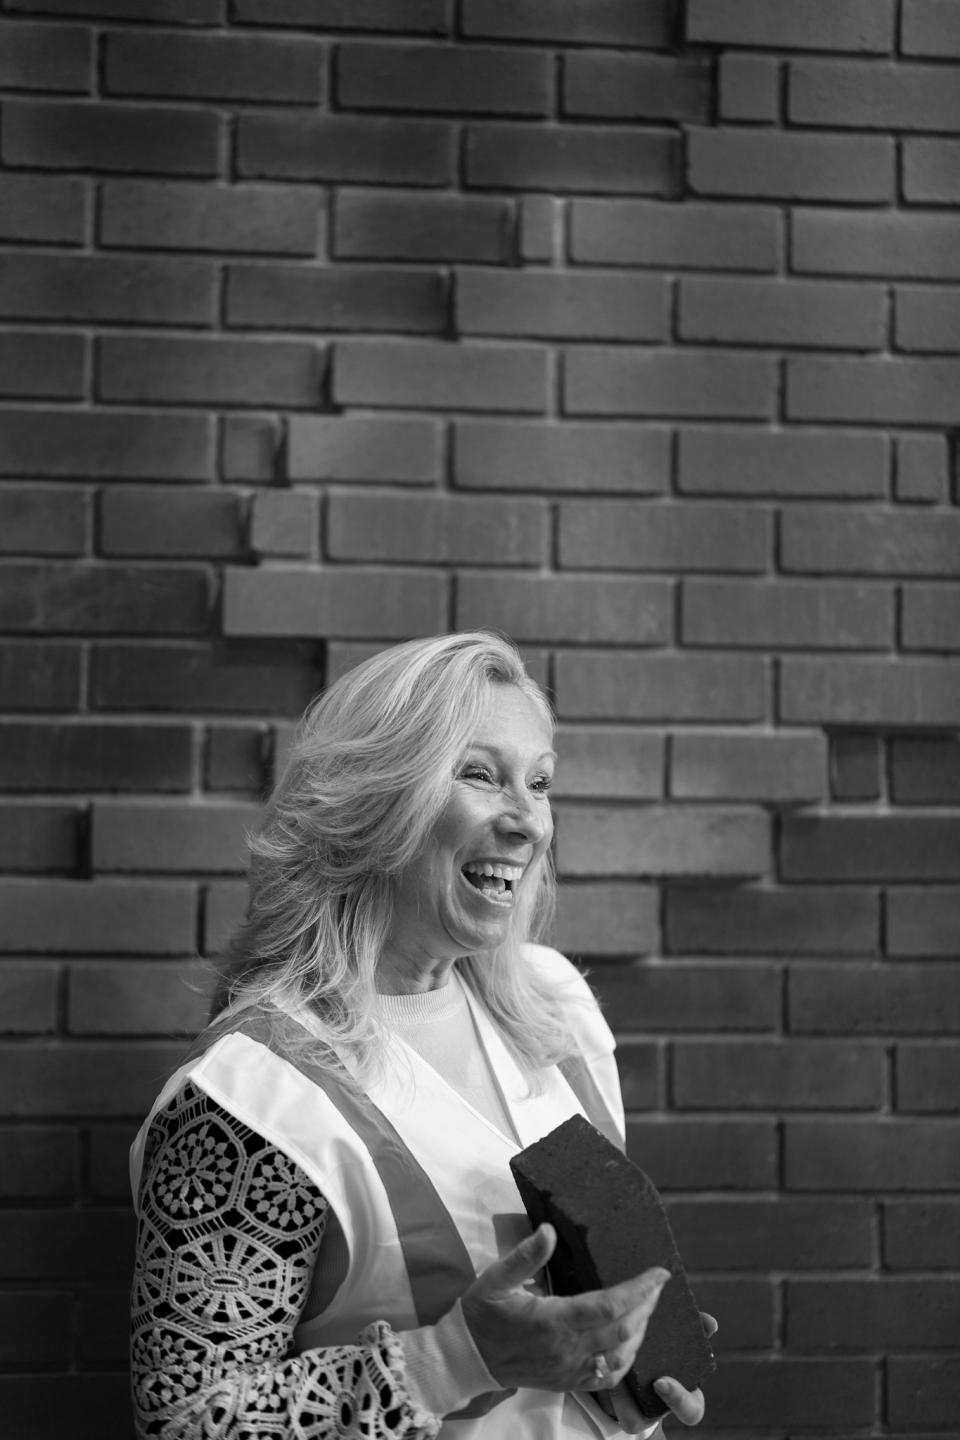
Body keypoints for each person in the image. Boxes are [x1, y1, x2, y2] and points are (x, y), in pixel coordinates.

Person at [129, 631, 716, 1439]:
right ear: (371, 802)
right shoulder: (250, 1103)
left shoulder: (558, 1013)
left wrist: (621, 1356)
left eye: (539, 783)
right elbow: (191, 1418)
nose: (529, 823)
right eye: (480, 774)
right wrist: (457, 1359)